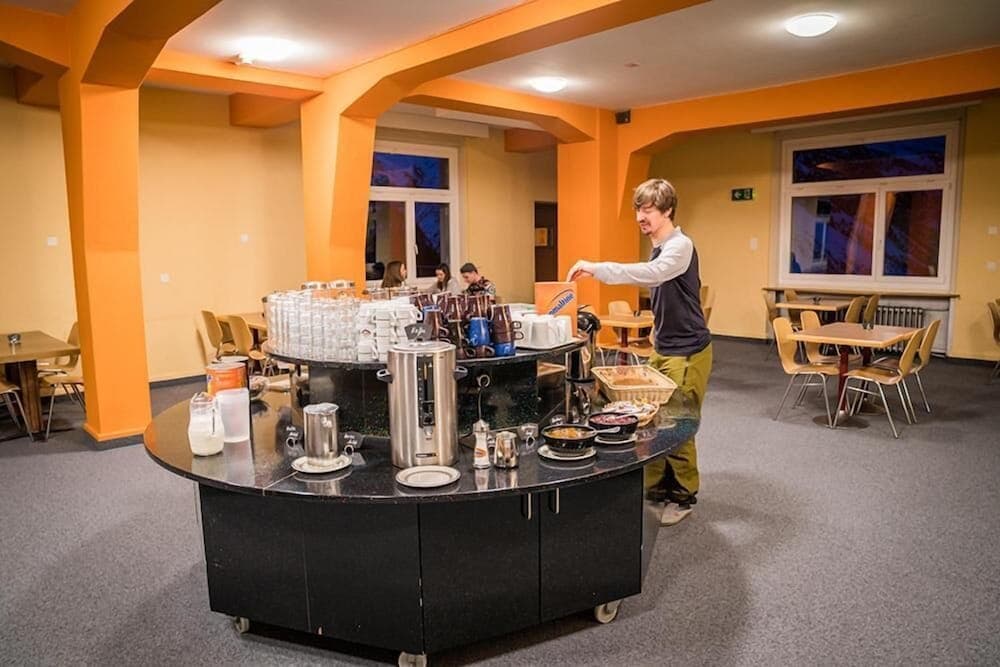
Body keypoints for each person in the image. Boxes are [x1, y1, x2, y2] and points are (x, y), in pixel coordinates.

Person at [567, 178, 712, 527]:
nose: (640, 218)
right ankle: (657, 488)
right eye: (638, 210)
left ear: (668, 210)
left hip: (688, 351)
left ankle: (683, 495)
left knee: (679, 423)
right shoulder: (659, 247)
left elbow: (653, 275)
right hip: (664, 348)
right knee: (654, 422)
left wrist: (596, 268)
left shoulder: (680, 246)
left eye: (648, 211)